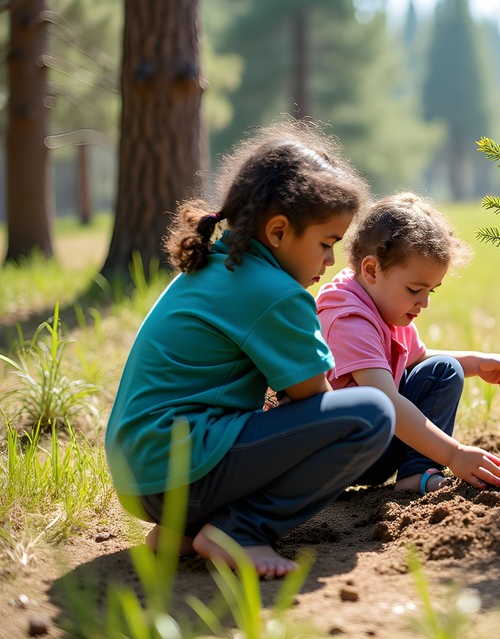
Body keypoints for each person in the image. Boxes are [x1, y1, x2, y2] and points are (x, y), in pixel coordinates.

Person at [105, 120, 397, 578]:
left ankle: (188, 528)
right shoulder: (273, 292)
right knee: (370, 414)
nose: (328, 261)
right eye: (326, 244)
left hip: (140, 473)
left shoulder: (217, 266)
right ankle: (240, 530)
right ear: (278, 231)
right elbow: (314, 401)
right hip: (179, 468)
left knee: (270, 421)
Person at [316, 192, 500, 496]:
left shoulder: (382, 305)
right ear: (372, 270)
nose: (423, 302)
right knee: (429, 378)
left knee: (444, 369)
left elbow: (420, 358)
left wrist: (476, 363)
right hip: (342, 457)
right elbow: (385, 399)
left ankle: (416, 474)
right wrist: (454, 454)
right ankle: (424, 466)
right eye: (415, 289)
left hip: (374, 440)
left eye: (431, 292)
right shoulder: (349, 319)